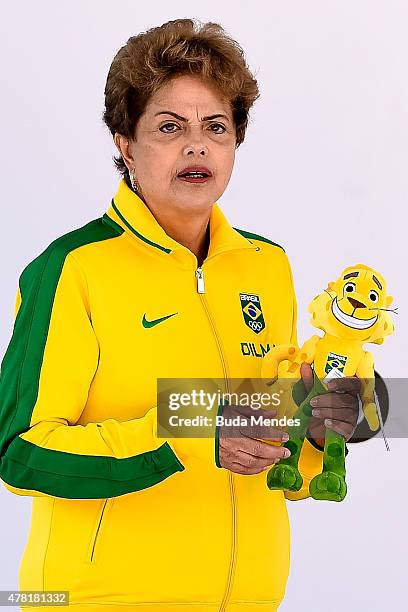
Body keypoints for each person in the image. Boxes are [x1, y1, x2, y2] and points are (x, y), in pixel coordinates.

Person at [0, 19, 360, 612]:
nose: (197, 146)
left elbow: (268, 427)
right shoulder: (72, 269)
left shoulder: (266, 267)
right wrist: (192, 435)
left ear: (235, 143)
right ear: (125, 143)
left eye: (215, 127)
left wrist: (320, 430)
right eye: (169, 127)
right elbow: (21, 454)